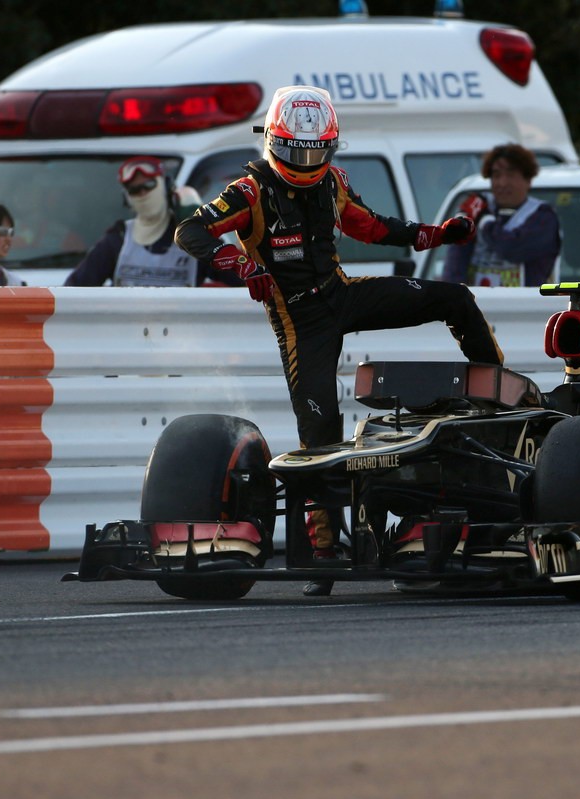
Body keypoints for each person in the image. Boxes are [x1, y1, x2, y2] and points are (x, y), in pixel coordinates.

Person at [175, 85, 503, 597]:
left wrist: (437, 234)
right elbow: (190, 231)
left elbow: (372, 228)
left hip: (342, 294)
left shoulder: (335, 183)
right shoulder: (250, 191)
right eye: (294, 150)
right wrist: (239, 263)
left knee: (455, 297)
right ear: (272, 142)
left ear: (330, 145)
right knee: (320, 435)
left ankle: (500, 393)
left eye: (314, 150)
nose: (305, 161)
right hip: (300, 321)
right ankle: (324, 554)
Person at [65, 156, 228, 287]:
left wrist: (203, 230)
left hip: (182, 328)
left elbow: (242, 275)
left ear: (166, 186)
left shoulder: (192, 238)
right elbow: (72, 292)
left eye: (149, 185)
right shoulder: (119, 240)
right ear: (127, 198)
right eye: (135, 190)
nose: (143, 194)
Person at [442, 143, 561, 288]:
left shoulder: (542, 217)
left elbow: (513, 249)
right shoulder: (477, 208)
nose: (502, 183)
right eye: (496, 175)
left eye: (511, 175)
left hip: (527, 306)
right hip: (478, 304)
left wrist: (486, 222)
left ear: (528, 180)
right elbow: (454, 266)